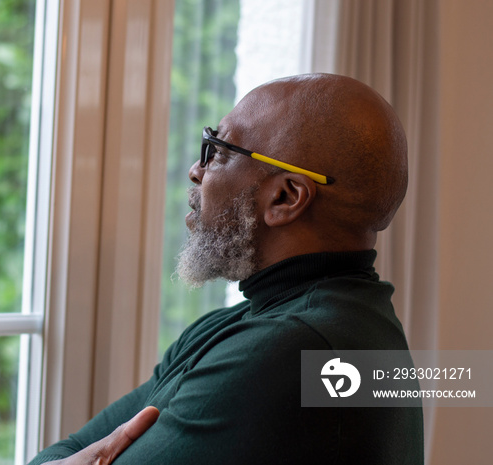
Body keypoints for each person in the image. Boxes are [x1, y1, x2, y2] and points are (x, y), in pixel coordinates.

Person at [29, 73, 424, 465]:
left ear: (285, 197)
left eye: (216, 150)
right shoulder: (245, 327)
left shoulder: (288, 351)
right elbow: (67, 450)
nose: (195, 171)